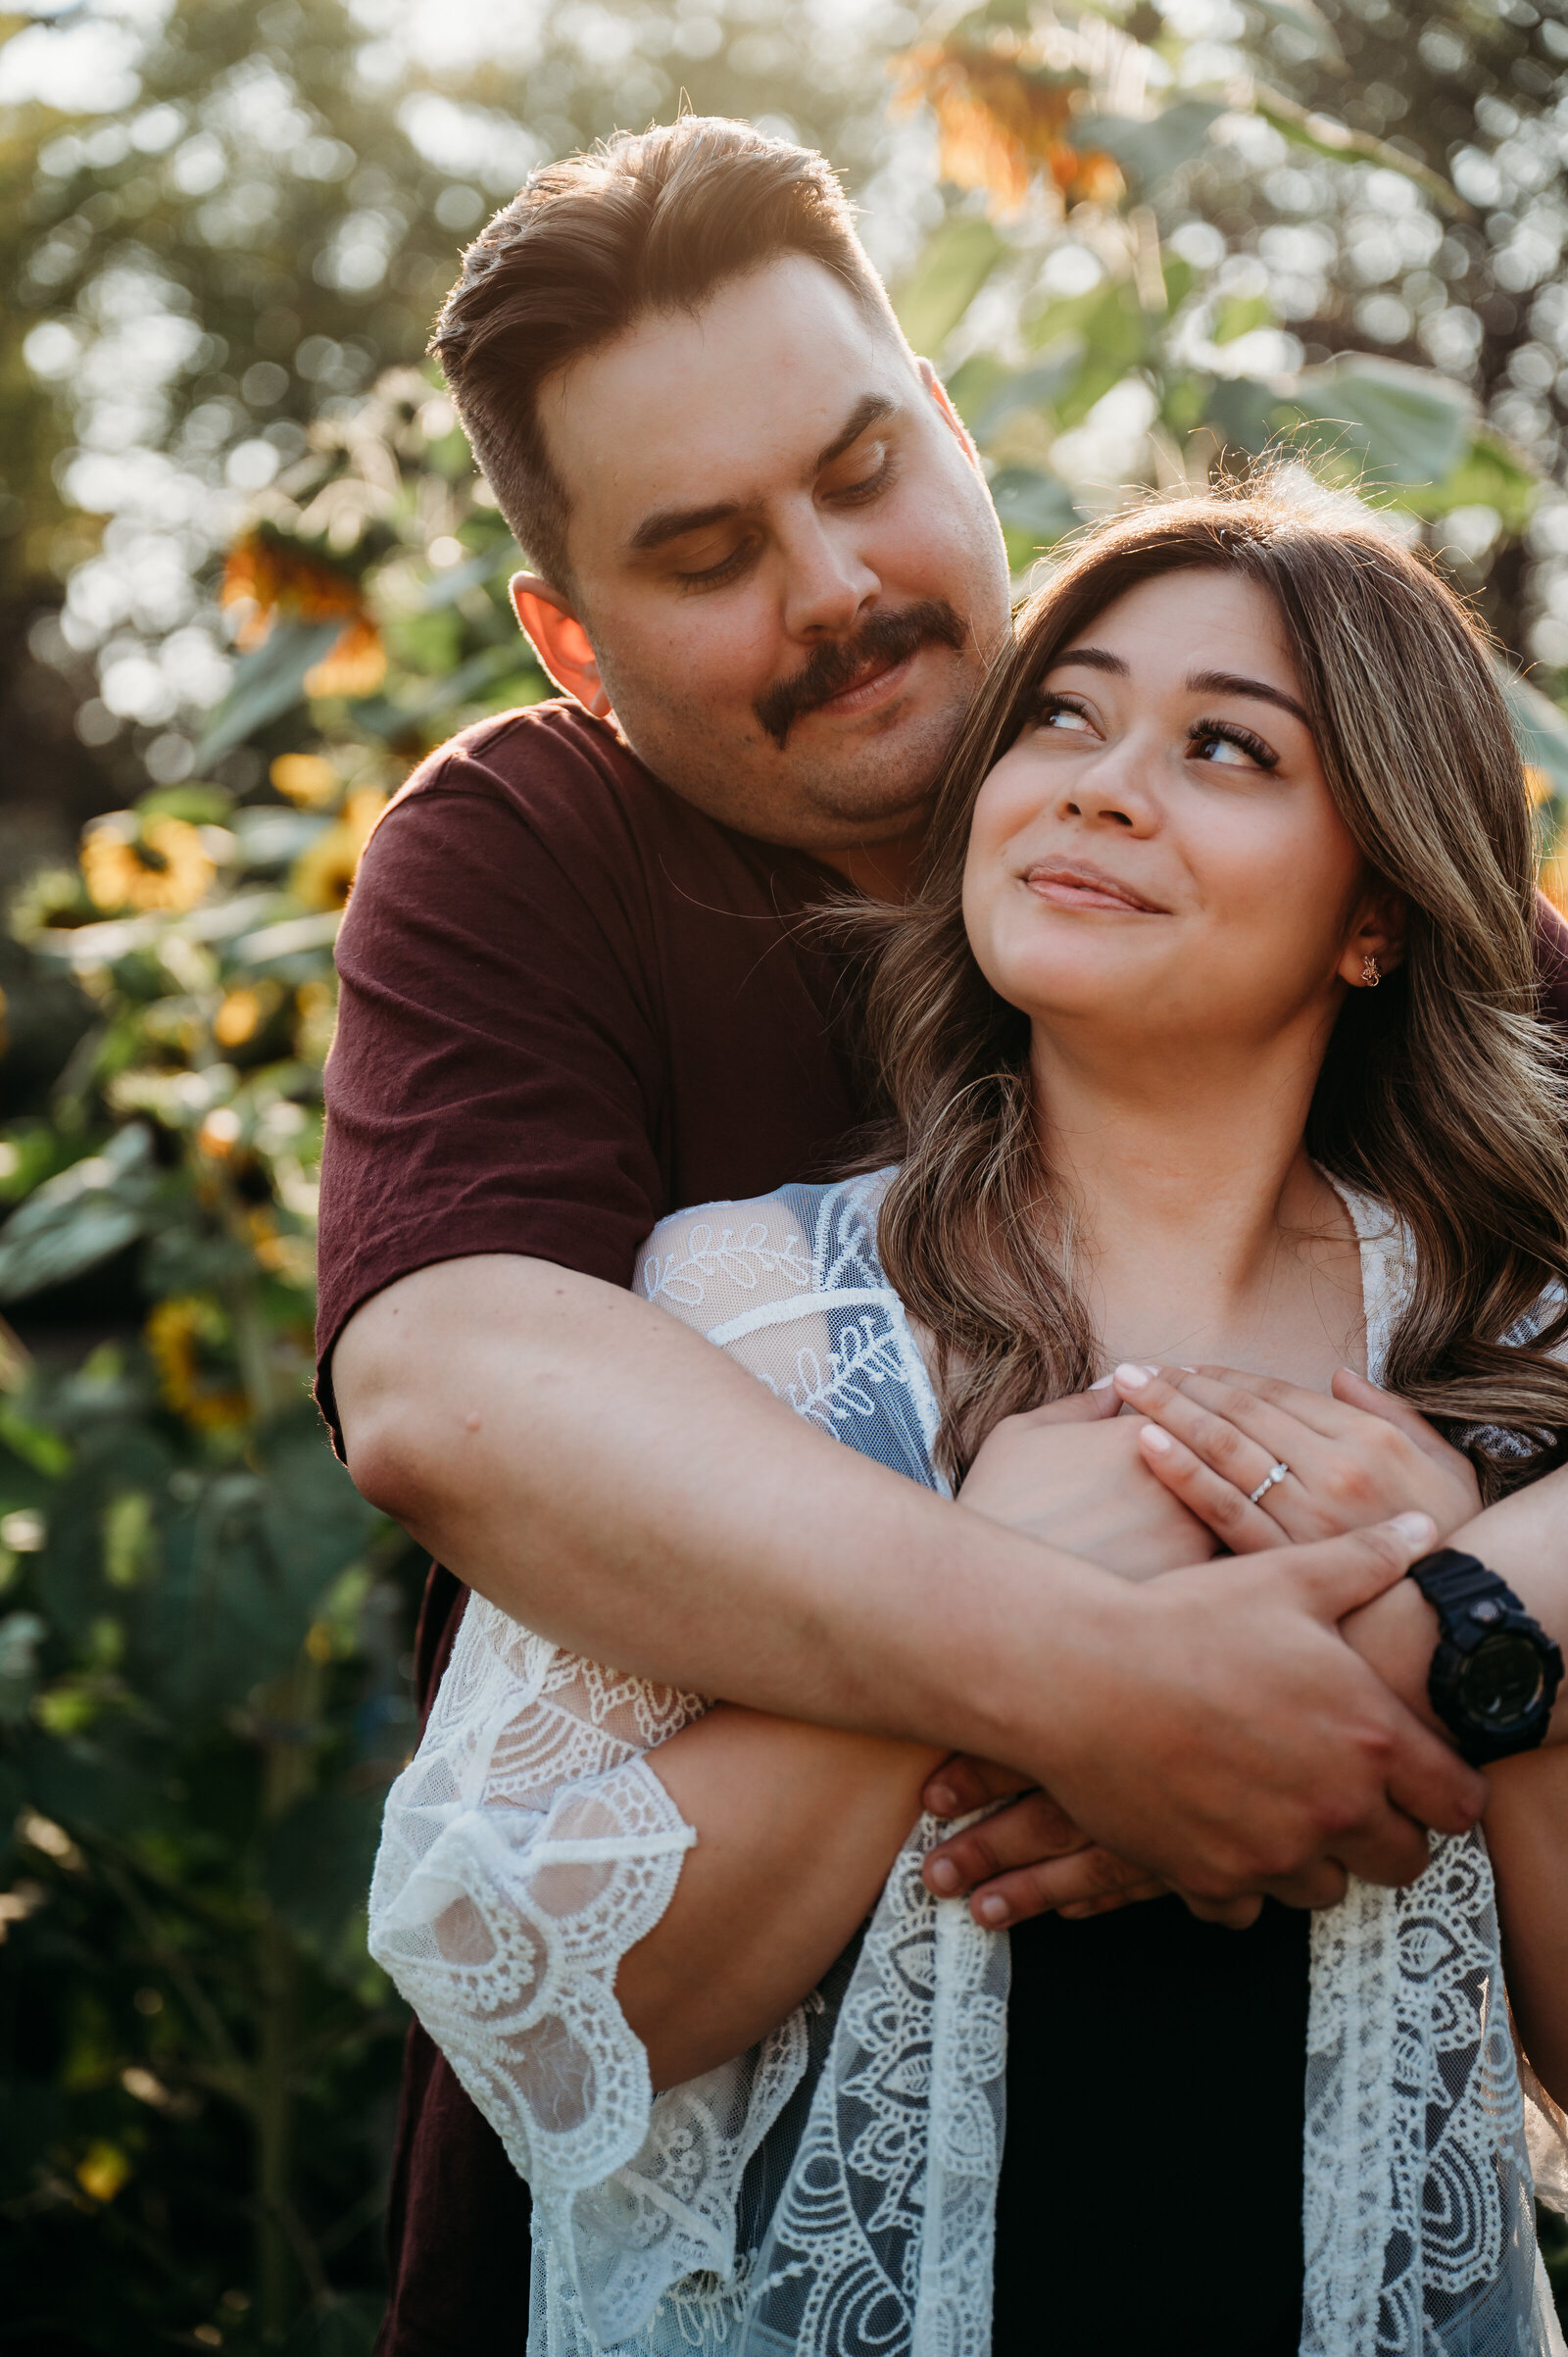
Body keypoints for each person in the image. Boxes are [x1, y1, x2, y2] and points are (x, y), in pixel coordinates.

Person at [320, 119, 1568, 2345]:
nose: (832, 587)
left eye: (863, 463)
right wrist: (1080, 1664)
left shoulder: (1424, 1036)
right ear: (568, 636)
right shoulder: (537, 876)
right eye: (702, 551)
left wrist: (1440, 1601)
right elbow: (453, 1387)